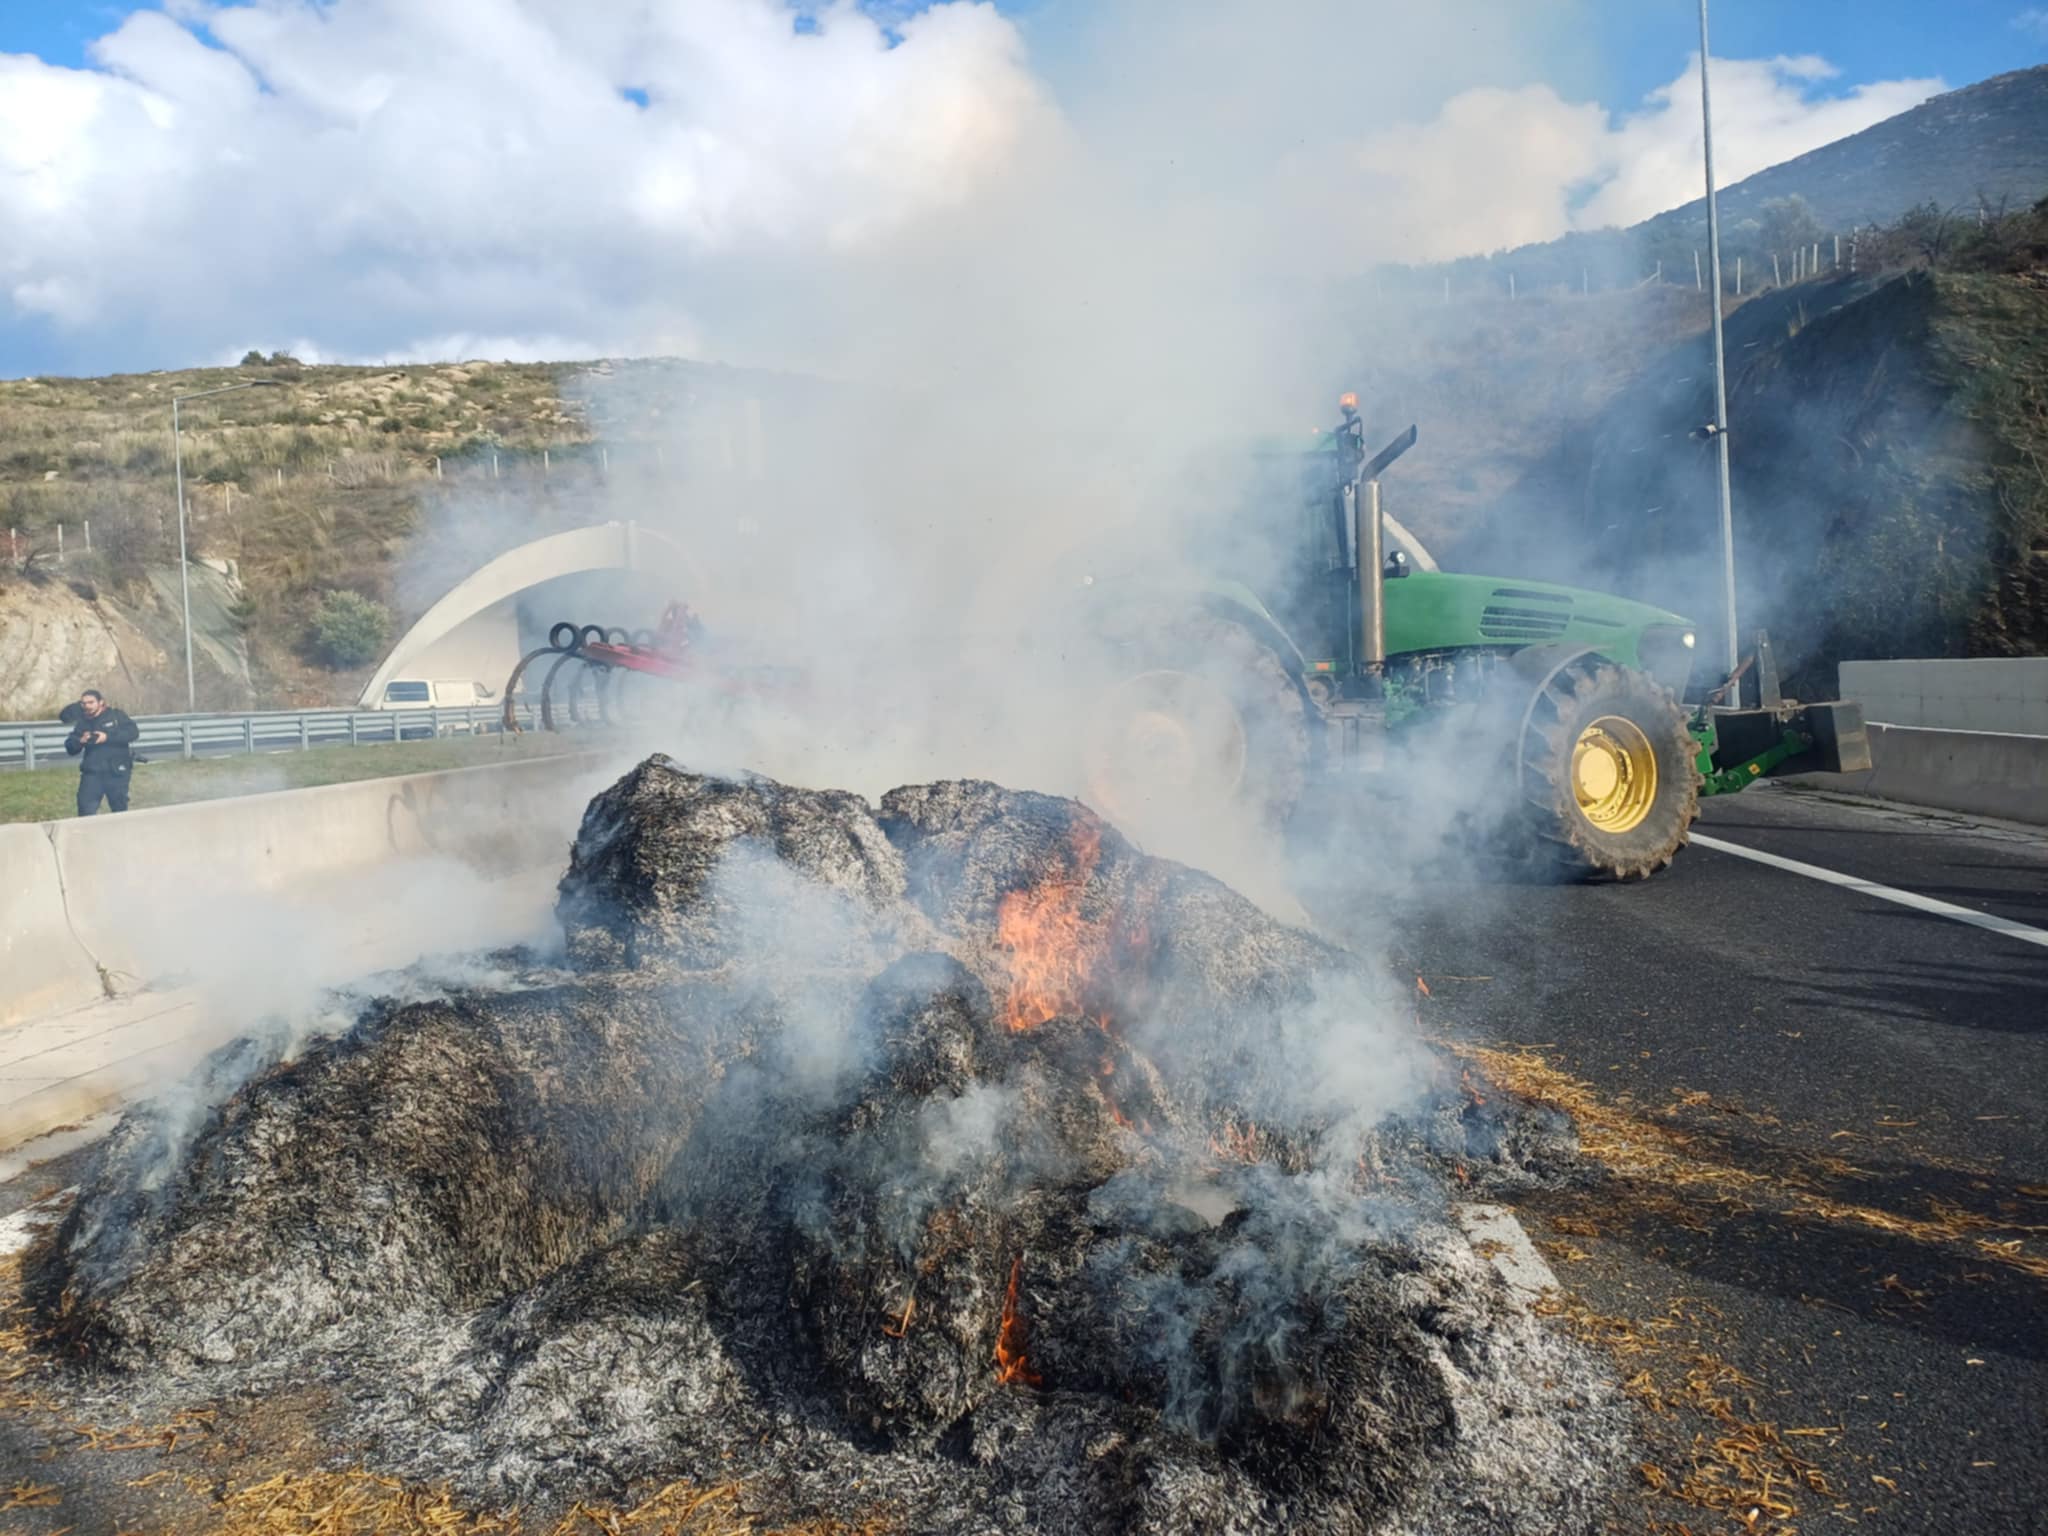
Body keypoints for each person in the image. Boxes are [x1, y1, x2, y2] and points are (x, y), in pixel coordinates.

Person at [65, 688, 140, 816]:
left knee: (119, 809)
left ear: (101, 702)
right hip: (92, 773)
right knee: (85, 808)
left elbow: (133, 733)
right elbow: (70, 747)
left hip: (117, 771)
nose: (87, 706)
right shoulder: (82, 722)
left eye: (91, 702)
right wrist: (81, 741)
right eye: (84, 703)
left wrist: (107, 737)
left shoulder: (116, 716)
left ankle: (121, 834)